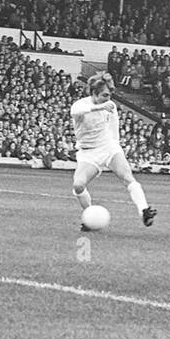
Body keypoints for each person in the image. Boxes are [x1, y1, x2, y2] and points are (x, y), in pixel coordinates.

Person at [70, 72, 157, 230]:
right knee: (78, 185)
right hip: (89, 153)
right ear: (94, 93)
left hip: (108, 147)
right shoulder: (82, 105)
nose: (108, 98)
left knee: (127, 177)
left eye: (109, 95)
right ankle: (90, 216)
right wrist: (99, 107)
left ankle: (144, 210)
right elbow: (75, 112)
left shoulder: (110, 106)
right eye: (104, 95)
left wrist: (115, 148)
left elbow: (114, 129)